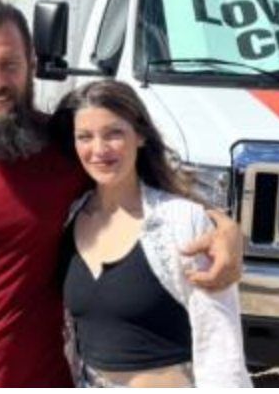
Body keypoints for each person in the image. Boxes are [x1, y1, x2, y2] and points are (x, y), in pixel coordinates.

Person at [0, 1, 244, 387]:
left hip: (40, 378)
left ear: (32, 65)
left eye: (10, 65)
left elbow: (146, 187)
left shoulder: (67, 149)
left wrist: (224, 229)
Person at [52, 80, 252, 387]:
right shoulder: (67, 219)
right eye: (85, 137)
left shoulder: (182, 222)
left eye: (114, 133)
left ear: (141, 135)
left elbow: (220, 342)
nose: (99, 149)